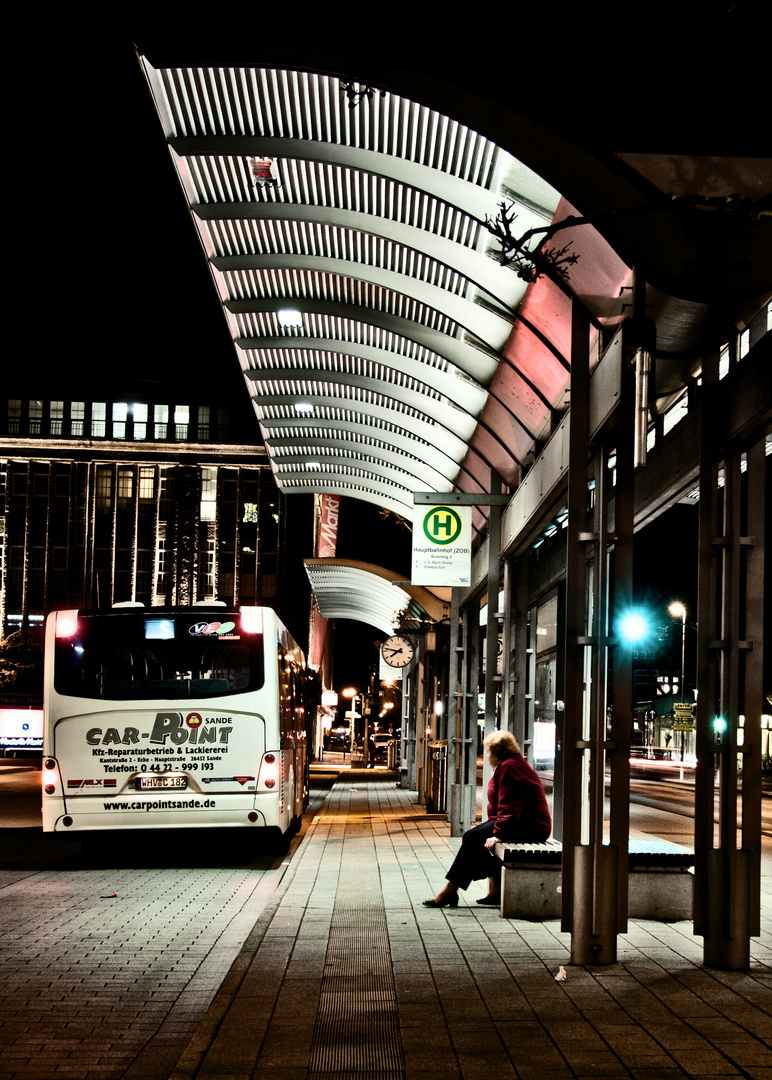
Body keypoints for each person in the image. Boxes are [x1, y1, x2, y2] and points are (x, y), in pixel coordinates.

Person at [423, 730, 552, 908]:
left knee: (473, 838)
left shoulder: (510, 767)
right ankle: (495, 888)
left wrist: (499, 833)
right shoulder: (509, 765)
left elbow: (511, 805)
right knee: (475, 836)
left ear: (498, 751)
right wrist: (494, 829)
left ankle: (450, 890)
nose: (487, 755)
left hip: (530, 827)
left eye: (489, 751)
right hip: (523, 823)